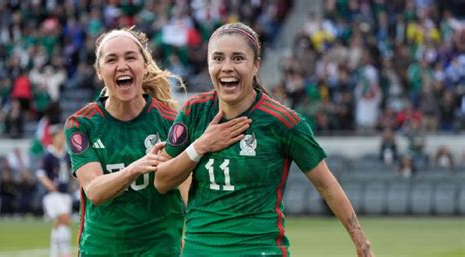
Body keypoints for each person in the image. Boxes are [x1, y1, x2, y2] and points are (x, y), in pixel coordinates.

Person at [155, 22, 375, 257]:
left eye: (238, 58)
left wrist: (361, 241)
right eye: (218, 58)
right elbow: (162, 181)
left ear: (256, 64)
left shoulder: (282, 122)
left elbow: (326, 185)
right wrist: (201, 146)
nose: (227, 67)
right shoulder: (194, 111)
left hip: (259, 250)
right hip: (199, 251)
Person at [64, 27, 250, 257]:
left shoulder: (172, 122)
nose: (122, 65)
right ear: (99, 71)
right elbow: (94, 190)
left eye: (130, 57)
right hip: (101, 251)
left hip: (160, 251)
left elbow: (187, 190)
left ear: (144, 65)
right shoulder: (82, 124)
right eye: (111, 59)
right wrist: (135, 167)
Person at [37, 125, 73, 257]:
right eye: (59, 136)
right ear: (53, 138)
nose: (62, 139)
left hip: (65, 193)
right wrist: (49, 184)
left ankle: (54, 252)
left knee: (59, 224)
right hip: (53, 195)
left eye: (63, 136)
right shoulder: (48, 155)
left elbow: (72, 173)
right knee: (65, 218)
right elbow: (40, 174)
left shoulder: (66, 155)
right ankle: (65, 252)